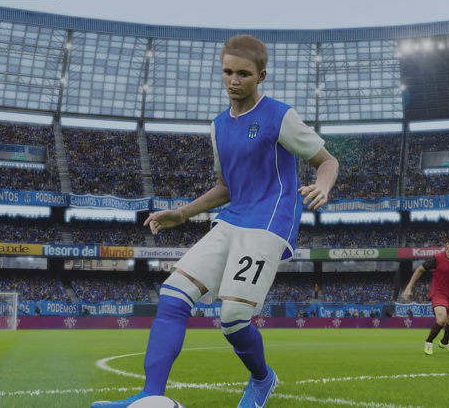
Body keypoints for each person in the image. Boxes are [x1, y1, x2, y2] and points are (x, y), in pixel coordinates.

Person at [91, 34, 338, 408]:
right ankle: (150, 395)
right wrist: (182, 213)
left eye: (243, 73)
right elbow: (226, 187)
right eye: (227, 72)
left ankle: (262, 379)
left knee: (233, 317)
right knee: (173, 294)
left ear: (261, 76)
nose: (233, 80)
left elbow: (328, 161)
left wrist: (322, 186)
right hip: (231, 219)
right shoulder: (219, 125)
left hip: (269, 223)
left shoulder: (280, 116)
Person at [402, 235, 449, 355]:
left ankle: (444, 342)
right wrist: (408, 287)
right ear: (447, 245)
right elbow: (420, 269)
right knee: (442, 319)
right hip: (438, 292)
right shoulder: (437, 258)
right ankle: (429, 342)